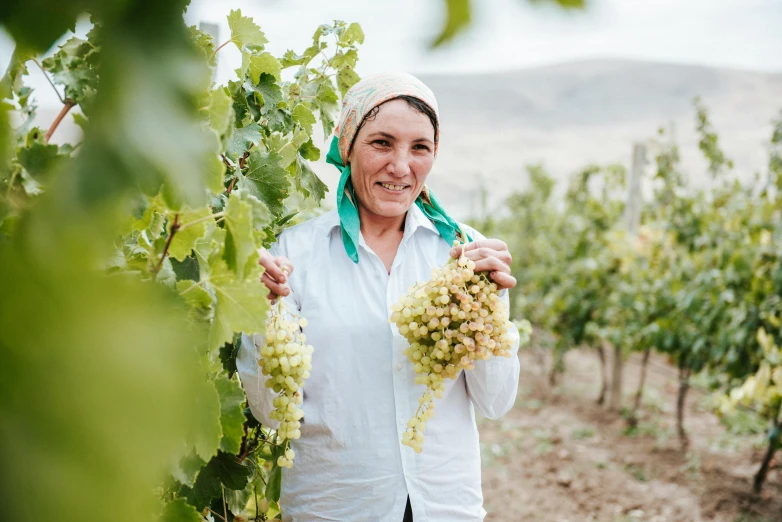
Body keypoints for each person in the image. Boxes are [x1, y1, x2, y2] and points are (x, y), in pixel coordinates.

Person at [237, 72, 521, 522]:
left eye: (419, 148)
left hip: (444, 506)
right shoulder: (295, 254)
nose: (401, 166)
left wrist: (489, 311)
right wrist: (258, 313)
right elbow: (272, 412)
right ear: (347, 147)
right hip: (334, 506)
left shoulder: (466, 254)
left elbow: (495, 401)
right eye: (382, 143)